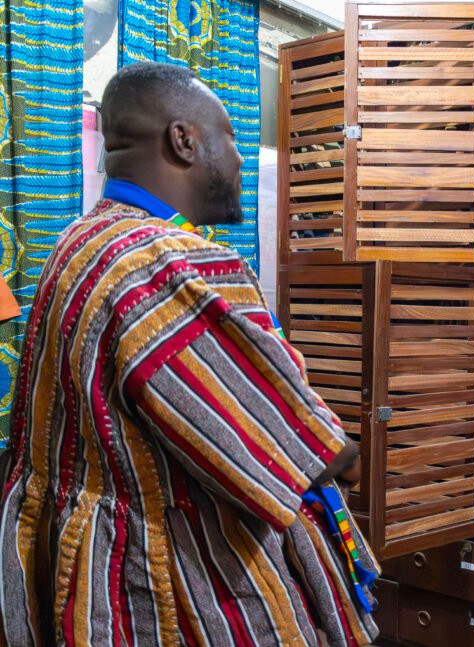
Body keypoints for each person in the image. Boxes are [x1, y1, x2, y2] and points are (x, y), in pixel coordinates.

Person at [0, 62, 378, 646]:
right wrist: (349, 456)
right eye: (230, 138)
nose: (240, 159)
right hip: (175, 593)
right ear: (183, 140)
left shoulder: (80, 241)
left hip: (89, 575)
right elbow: (294, 449)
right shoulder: (171, 263)